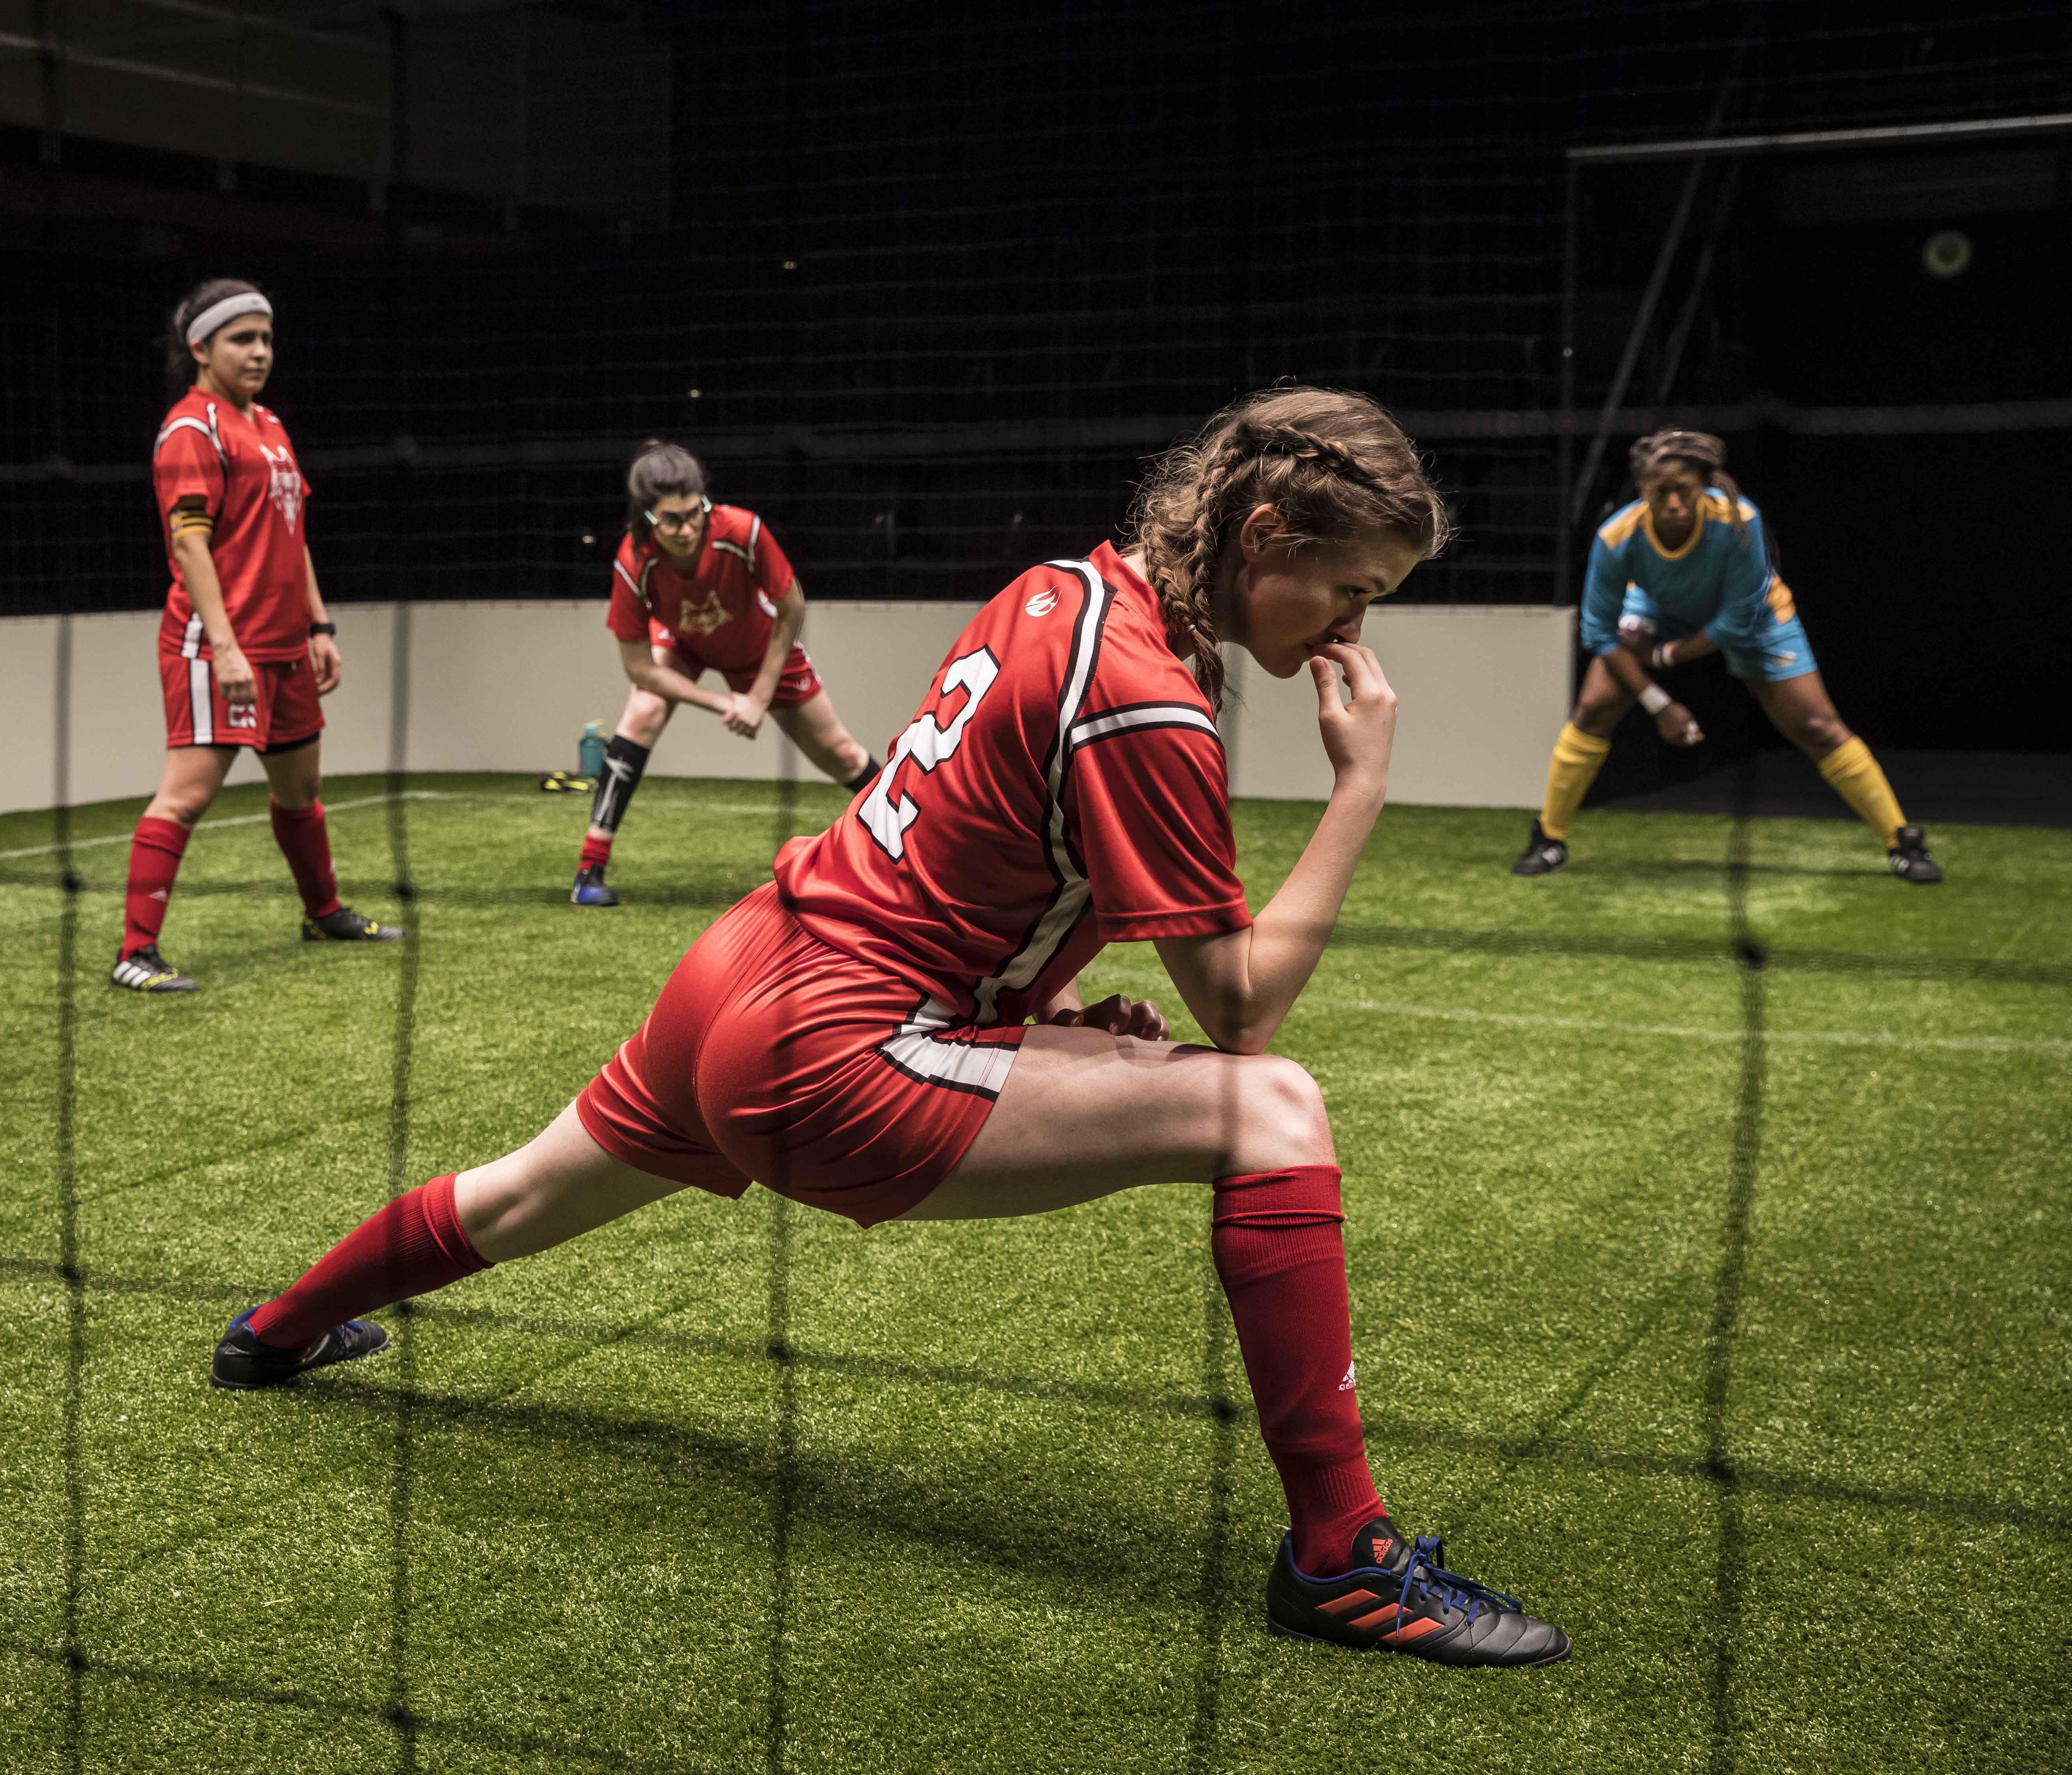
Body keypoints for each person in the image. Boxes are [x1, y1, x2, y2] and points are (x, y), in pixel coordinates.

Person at [215, 388, 1571, 1668]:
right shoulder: (1151, 693)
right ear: (1263, 534)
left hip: (743, 976)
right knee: (1270, 1105)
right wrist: (1362, 786)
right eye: (1354, 589)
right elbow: (1245, 1005)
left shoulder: (1059, 588)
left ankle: (277, 1329)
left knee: (513, 1200)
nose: (1354, 629)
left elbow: (977, 848)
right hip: (832, 1057)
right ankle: (1344, 1557)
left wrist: (1032, 1010)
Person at [111, 278, 399, 993]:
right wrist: (227, 645)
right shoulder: (191, 429)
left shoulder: (269, 425)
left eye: (266, 338)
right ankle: (135, 954)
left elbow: (291, 531)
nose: (260, 352)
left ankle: (323, 911)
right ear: (200, 348)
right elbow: (188, 545)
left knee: (301, 789)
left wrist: (319, 625)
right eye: (243, 339)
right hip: (217, 649)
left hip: (285, 649)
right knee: (187, 796)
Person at [1513, 429, 1941, 882]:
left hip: (1755, 618)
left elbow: (1738, 621)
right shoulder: (1617, 538)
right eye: (1662, 493)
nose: (1675, 504)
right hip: (1662, 610)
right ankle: (1550, 837)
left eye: (1686, 491)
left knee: (1817, 726)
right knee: (1594, 706)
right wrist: (1661, 704)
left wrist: (1662, 658)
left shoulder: (1739, 522)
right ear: (1642, 491)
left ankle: (1902, 841)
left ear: (1705, 488)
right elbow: (1599, 633)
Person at [571, 441, 880, 907]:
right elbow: (640, 669)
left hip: (761, 648)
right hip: (685, 643)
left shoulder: (742, 531)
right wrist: (725, 704)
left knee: (842, 754)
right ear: (646, 519)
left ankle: (917, 851)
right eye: (672, 519)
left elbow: (791, 606)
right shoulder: (635, 561)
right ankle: (589, 870)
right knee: (642, 712)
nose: (688, 527)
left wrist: (757, 696)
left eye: (696, 512)